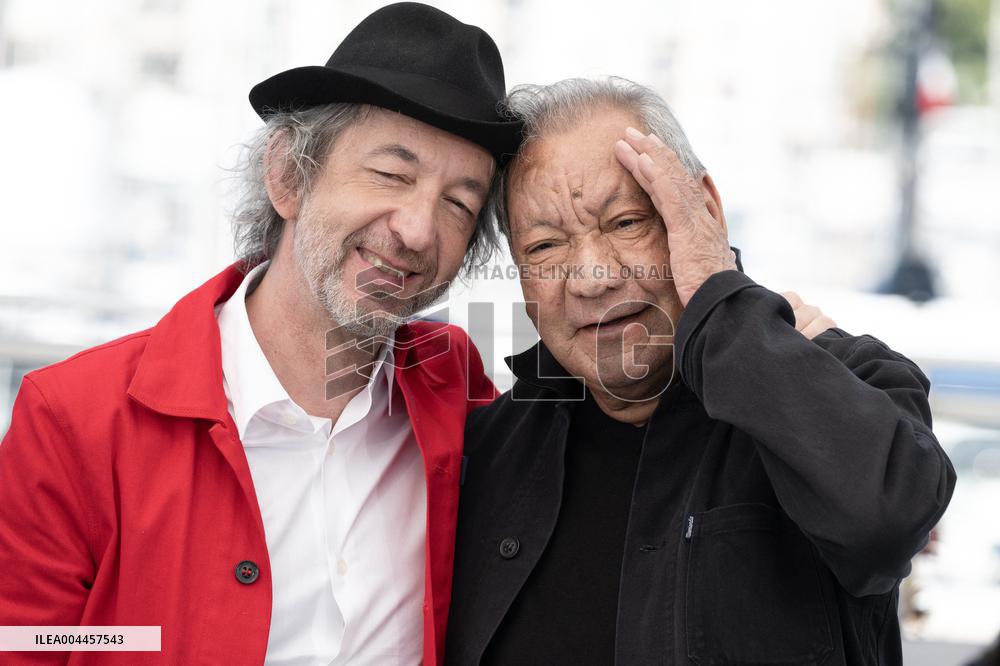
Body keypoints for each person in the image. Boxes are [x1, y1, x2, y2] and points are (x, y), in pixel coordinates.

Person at [0, 3, 520, 664]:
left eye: (458, 204)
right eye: (392, 174)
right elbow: (26, 642)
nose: (418, 230)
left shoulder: (457, 390)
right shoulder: (76, 418)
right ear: (288, 176)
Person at [445, 77, 956, 665]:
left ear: (703, 211)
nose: (591, 278)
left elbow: (887, 521)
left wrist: (724, 303)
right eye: (544, 248)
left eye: (625, 223)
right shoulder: (490, 448)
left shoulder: (848, 377)